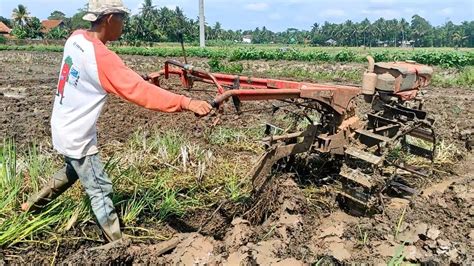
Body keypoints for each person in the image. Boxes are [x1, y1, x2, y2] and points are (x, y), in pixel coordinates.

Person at [21, 0, 212, 243]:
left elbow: (114, 75)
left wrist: (132, 78)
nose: (124, 24)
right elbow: (139, 92)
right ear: (110, 18)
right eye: (122, 18)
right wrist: (186, 102)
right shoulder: (101, 58)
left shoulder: (76, 38)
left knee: (74, 169)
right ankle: (117, 244)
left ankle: (32, 205)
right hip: (77, 133)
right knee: (100, 188)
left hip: (62, 122)